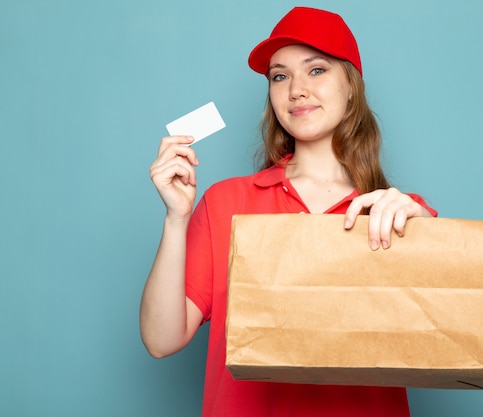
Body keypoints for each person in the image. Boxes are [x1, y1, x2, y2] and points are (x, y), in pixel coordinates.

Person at [141, 6, 437, 417]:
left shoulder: (399, 213)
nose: (296, 89)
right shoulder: (226, 203)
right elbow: (161, 340)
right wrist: (176, 219)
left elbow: (440, 335)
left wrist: (421, 234)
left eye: (316, 70)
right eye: (280, 76)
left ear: (351, 86)